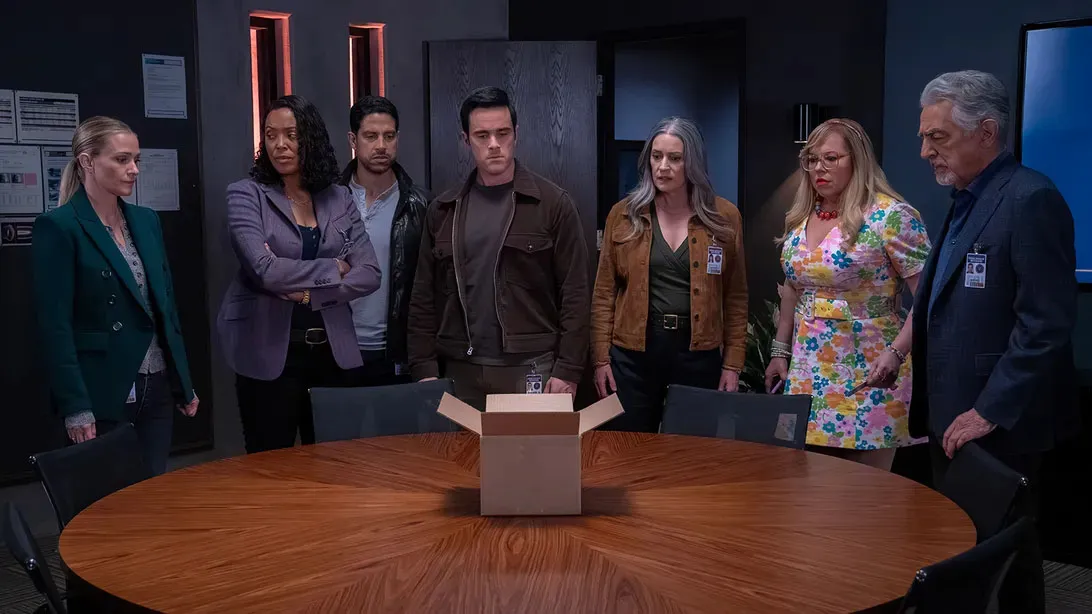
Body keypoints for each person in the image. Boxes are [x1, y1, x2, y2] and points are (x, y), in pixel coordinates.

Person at [912, 70, 1078, 614]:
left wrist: (988, 411)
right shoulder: (966, 197)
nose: (925, 152)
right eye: (924, 137)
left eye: (938, 137)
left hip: (999, 421)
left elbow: (1045, 324)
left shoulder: (1031, 199)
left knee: (1007, 560)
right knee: (966, 551)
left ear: (986, 132)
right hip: (954, 414)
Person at [32, 116, 198, 476]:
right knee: (106, 499)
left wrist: (183, 382)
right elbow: (55, 327)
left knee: (152, 492)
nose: (134, 169)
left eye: (136, 159)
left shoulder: (146, 220)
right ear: (87, 162)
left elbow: (165, 307)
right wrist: (76, 406)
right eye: (122, 159)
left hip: (156, 384)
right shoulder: (59, 227)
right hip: (103, 389)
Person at [407, 86, 589, 409]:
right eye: (482, 135)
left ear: (516, 134)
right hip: (459, 368)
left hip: (531, 366)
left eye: (502, 133)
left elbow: (575, 293)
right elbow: (423, 296)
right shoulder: (443, 210)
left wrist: (569, 369)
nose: (494, 144)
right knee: (458, 445)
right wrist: (424, 368)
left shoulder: (552, 204)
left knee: (532, 446)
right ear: (466, 140)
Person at [218, 95, 381, 454]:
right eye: (271, 135)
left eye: (291, 135)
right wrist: (334, 267)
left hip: (333, 352)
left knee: (333, 463)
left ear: (311, 138)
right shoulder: (246, 195)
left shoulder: (338, 197)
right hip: (268, 353)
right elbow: (265, 270)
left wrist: (310, 294)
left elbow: (370, 273)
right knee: (270, 465)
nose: (280, 145)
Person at [765, 118, 931, 470]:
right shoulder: (801, 216)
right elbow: (793, 287)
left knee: (864, 492)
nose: (818, 168)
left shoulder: (890, 216)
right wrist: (780, 351)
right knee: (803, 485)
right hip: (808, 372)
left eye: (830, 158)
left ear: (857, 160)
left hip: (870, 373)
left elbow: (930, 297)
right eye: (812, 159)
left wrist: (897, 352)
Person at [591, 117, 747, 432]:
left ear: (693, 164)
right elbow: (604, 292)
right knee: (628, 446)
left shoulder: (724, 217)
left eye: (675, 158)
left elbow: (735, 296)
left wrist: (732, 364)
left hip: (697, 353)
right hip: (634, 352)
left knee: (689, 450)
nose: (663, 167)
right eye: (656, 156)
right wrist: (601, 359)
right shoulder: (624, 215)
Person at [339, 96, 429, 387]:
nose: (381, 145)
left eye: (389, 136)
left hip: (396, 355)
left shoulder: (421, 205)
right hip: (335, 351)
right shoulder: (328, 201)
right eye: (371, 136)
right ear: (353, 140)